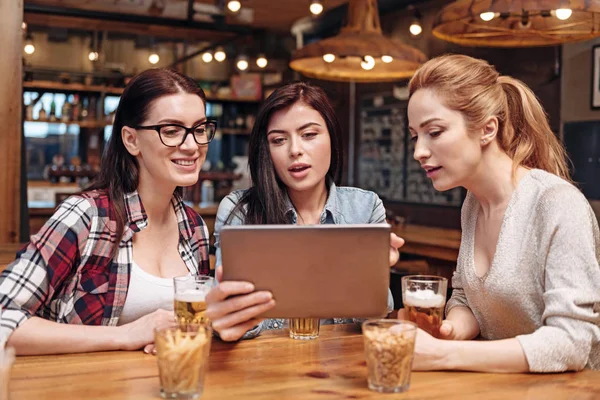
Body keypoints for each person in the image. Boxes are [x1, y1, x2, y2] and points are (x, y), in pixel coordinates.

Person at [405, 54, 600, 373]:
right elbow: (466, 300)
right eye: (416, 136)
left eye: (435, 132)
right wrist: (448, 333)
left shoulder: (557, 203)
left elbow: (572, 343)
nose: (419, 152)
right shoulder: (473, 203)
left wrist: (443, 355)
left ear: (487, 129)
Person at [0, 69, 214, 355]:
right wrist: (126, 336)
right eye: (171, 131)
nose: (192, 146)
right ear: (131, 140)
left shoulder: (194, 227)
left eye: (199, 129)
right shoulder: (87, 217)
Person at [205, 82, 404, 342]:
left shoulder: (364, 207)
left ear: (331, 137)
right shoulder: (239, 210)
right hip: (262, 368)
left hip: (343, 370)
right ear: (266, 151)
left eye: (309, 134)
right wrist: (230, 313)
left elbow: (375, 318)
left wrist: (371, 272)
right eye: (278, 140)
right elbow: (233, 323)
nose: (295, 150)